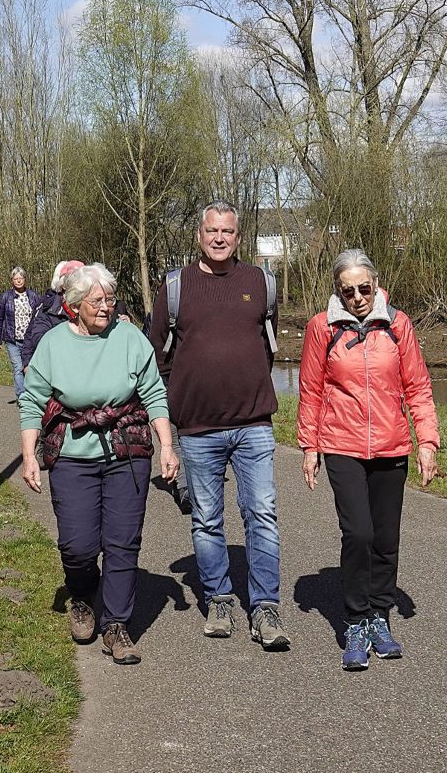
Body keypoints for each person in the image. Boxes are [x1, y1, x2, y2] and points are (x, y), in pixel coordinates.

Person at [20, 264, 179, 666]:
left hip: (127, 452)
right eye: (97, 301)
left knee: (123, 542)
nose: (107, 307)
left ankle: (116, 625)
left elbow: (154, 393)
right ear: (74, 305)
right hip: (73, 456)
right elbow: (32, 401)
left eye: (110, 299)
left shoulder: (129, 338)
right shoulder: (54, 343)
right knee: (78, 545)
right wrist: (28, 456)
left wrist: (166, 446)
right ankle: (82, 596)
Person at [149, 200, 289, 650]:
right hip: (197, 429)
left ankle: (265, 608)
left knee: (261, 516)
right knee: (208, 520)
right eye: (212, 231)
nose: (219, 238)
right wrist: (179, 407)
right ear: (199, 235)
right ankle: (220, 600)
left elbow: (264, 346)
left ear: (238, 236)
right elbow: (159, 357)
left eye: (227, 231)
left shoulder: (260, 283)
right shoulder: (175, 286)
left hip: (253, 424)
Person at [298, 249, 440, 671]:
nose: (358, 297)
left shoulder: (398, 326)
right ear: (337, 291)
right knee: (358, 533)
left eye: (365, 288)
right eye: (349, 290)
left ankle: (381, 615)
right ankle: (356, 620)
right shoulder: (321, 328)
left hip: (392, 447)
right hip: (342, 445)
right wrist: (309, 447)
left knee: (385, 538)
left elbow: (417, 386)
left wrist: (427, 440)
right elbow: (310, 391)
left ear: (376, 285)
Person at [19, 260, 84, 371]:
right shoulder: (47, 307)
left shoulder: (94, 309)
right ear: (64, 285)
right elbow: (34, 335)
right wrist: (27, 362)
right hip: (53, 369)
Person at [0, 266, 39, 402]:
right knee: (18, 368)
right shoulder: (5, 297)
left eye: (21, 278)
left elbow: (39, 316)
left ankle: (32, 394)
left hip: (29, 340)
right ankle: (22, 397)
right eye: (16, 279)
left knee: (30, 368)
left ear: (25, 280)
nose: (19, 281)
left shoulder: (33, 296)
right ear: (12, 281)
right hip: (12, 339)